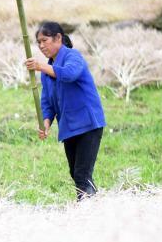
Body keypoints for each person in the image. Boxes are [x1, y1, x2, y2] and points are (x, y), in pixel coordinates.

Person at [24, 21, 106, 200]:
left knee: (82, 175)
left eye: (45, 40)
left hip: (88, 124)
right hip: (69, 127)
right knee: (76, 174)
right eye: (38, 42)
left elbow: (69, 74)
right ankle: (94, 207)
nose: (41, 45)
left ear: (58, 38)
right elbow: (47, 101)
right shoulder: (47, 70)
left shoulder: (72, 56)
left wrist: (40, 67)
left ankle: (88, 211)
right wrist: (45, 123)